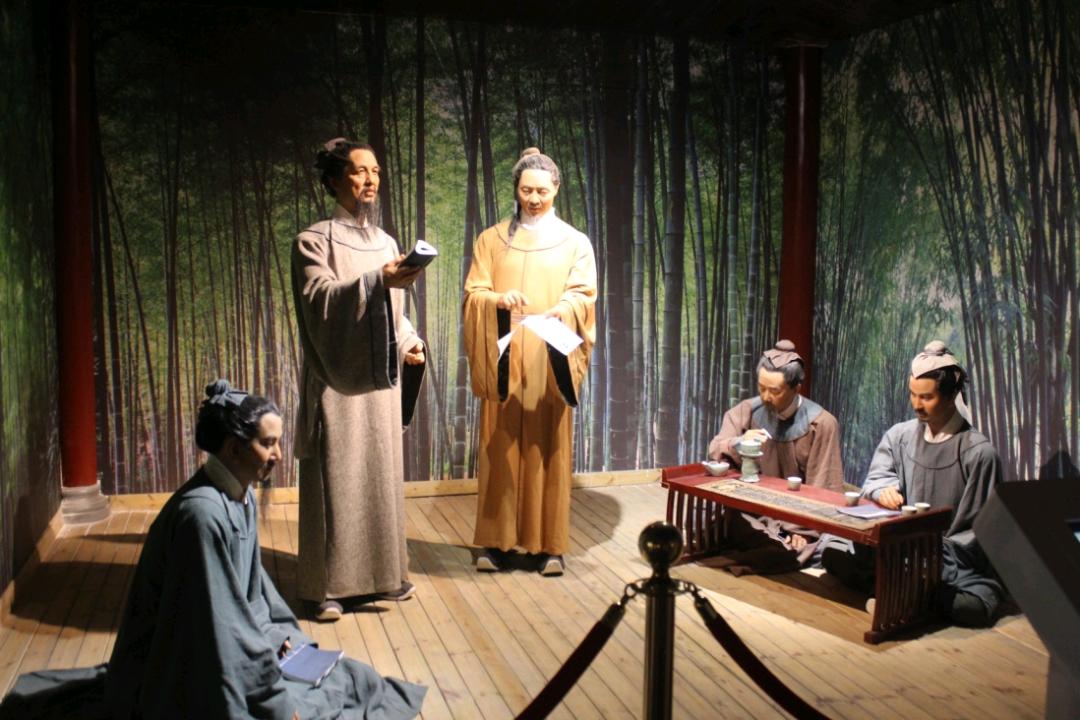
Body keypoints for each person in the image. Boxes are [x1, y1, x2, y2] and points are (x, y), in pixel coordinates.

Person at [0, 381, 426, 719]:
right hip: (184, 661)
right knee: (310, 703)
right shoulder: (201, 516)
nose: (279, 454)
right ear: (234, 448)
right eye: (269, 443)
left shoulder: (240, 494)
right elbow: (216, 627)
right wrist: (275, 700)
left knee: (352, 678)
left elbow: (255, 597)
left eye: (278, 442)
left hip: (229, 643)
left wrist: (282, 639)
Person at [292, 138, 426, 621]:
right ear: (334, 180)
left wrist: (408, 341)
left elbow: (395, 311)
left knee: (380, 476)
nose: (370, 179)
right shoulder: (314, 240)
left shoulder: (386, 242)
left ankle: (384, 576)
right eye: (359, 171)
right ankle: (326, 586)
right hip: (337, 377)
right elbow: (319, 301)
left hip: (380, 380)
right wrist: (375, 281)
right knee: (337, 477)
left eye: (376, 171)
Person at [463, 147, 597, 576]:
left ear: (556, 188)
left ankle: (549, 544)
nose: (534, 199)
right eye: (526, 191)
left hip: (549, 353)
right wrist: (498, 300)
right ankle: (493, 541)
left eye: (542, 191)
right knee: (499, 445)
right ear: (516, 190)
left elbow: (584, 295)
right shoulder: (491, 239)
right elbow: (474, 293)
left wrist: (564, 309)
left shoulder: (575, 242)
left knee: (547, 447)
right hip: (504, 351)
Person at [823, 341, 1006, 627]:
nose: (917, 405)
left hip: (948, 563)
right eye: (913, 394)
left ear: (951, 395)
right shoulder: (900, 436)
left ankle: (896, 592)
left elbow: (975, 534)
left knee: (972, 607)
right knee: (832, 556)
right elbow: (876, 478)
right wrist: (884, 490)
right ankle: (909, 593)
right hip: (897, 549)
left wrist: (928, 555)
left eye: (927, 397)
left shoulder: (978, 454)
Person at [704, 340, 844, 569]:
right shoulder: (747, 410)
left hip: (797, 516)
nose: (766, 397)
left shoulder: (821, 424)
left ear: (796, 388)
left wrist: (803, 531)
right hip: (755, 512)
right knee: (719, 520)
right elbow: (716, 447)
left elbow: (824, 486)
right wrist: (739, 442)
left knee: (820, 549)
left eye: (775, 391)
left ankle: (776, 547)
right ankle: (773, 547)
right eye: (761, 388)